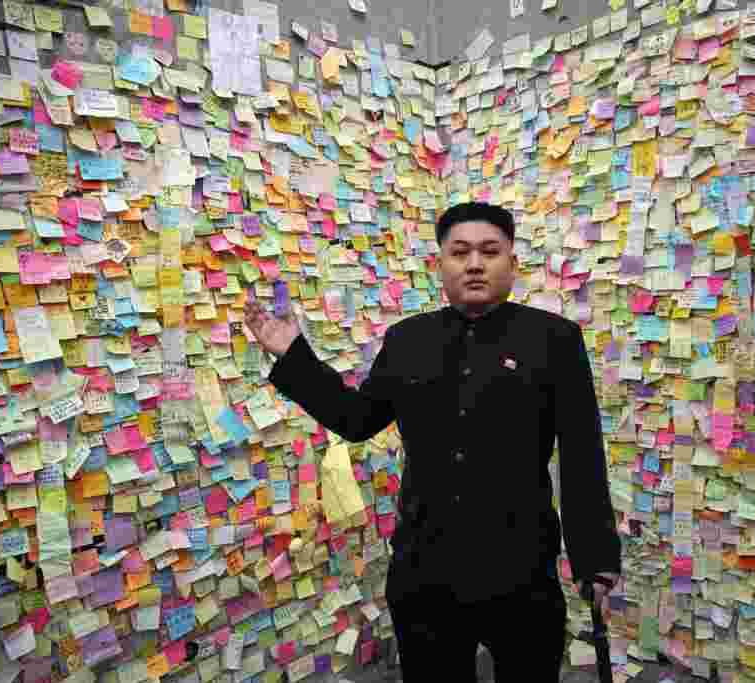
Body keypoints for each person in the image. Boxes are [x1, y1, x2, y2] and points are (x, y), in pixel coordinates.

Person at [244, 201, 621, 682]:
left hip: (522, 569)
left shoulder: (555, 339)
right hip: (424, 572)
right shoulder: (407, 339)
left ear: (512, 262)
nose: (475, 263)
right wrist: (294, 357)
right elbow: (357, 420)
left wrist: (596, 560)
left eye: (490, 251)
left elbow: (582, 454)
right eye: (460, 252)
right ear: (440, 264)